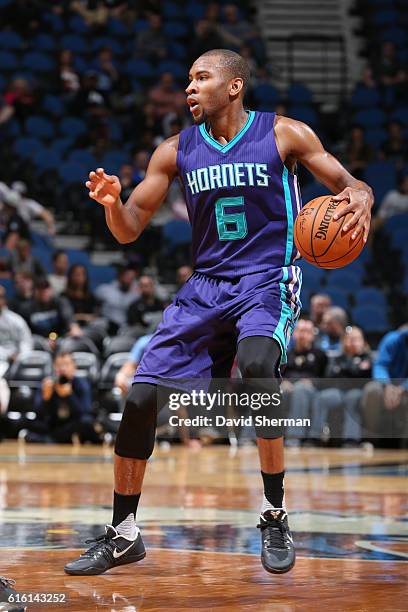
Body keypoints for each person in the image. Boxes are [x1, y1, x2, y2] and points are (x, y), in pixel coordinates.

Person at [65, 49, 373, 577]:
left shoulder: (284, 134)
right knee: (140, 399)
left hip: (266, 280)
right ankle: (123, 534)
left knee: (256, 367)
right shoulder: (175, 150)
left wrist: (362, 195)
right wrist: (115, 204)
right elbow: (131, 226)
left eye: (201, 78)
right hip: (205, 286)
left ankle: (274, 513)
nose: (189, 88)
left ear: (234, 86)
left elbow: (349, 184)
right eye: (188, 79)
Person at [19, 351, 101, 444]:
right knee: (29, 421)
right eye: (59, 365)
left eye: (66, 364)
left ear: (74, 367)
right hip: (53, 424)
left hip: (72, 424)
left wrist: (70, 396)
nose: (62, 368)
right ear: (54, 367)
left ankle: (48, 439)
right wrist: (46, 398)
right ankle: (52, 439)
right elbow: (38, 413)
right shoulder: (47, 384)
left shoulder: (82, 384)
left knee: (86, 422)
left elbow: (85, 412)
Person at [311, 326, 372, 446]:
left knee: (352, 397)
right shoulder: (337, 358)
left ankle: (351, 439)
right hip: (337, 391)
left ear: (363, 342)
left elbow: (363, 377)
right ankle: (314, 437)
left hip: (358, 391)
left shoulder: (368, 358)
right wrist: (353, 369)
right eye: (349, 339)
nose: (352, 342)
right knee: (322, 397)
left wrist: (346, 370)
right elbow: (330, 376)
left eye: (356, 339)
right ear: (344, 341)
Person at [283, 317, 327, 446]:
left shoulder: (320, 355)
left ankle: (293, 438)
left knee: (300, 390)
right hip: (288, 388)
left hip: (311, 391)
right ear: (294, 333)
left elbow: (327, 379)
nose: (303, 335)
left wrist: (312, 382)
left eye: (307, 331)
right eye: (300, 331)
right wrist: (283, 381)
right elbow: (279, 375)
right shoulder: (286, 354)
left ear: (313, 335)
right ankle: (258, 437)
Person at [361, 325, 408, 445]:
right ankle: (370, 439)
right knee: (372, 390)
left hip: (404, 389)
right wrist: (387, 385)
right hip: (387, 384)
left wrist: (403, 388)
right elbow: (380, 365)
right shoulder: (392, 339)